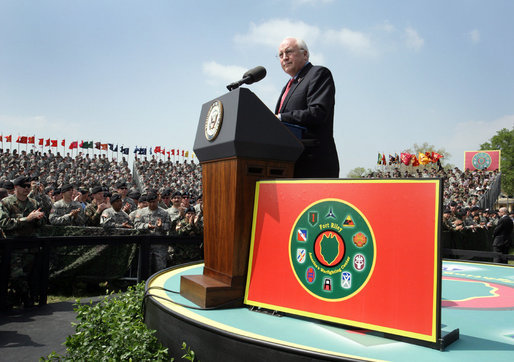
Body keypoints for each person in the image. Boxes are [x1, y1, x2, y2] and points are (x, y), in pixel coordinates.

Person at [275, 37, 339, 178]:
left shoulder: (318, 74)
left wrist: (280, 118)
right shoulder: (287, 86)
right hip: (289, 163)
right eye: (280, 55)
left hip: (313, 164)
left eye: (289, 52)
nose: (284, 58)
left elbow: (317, 112)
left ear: (305, 54)